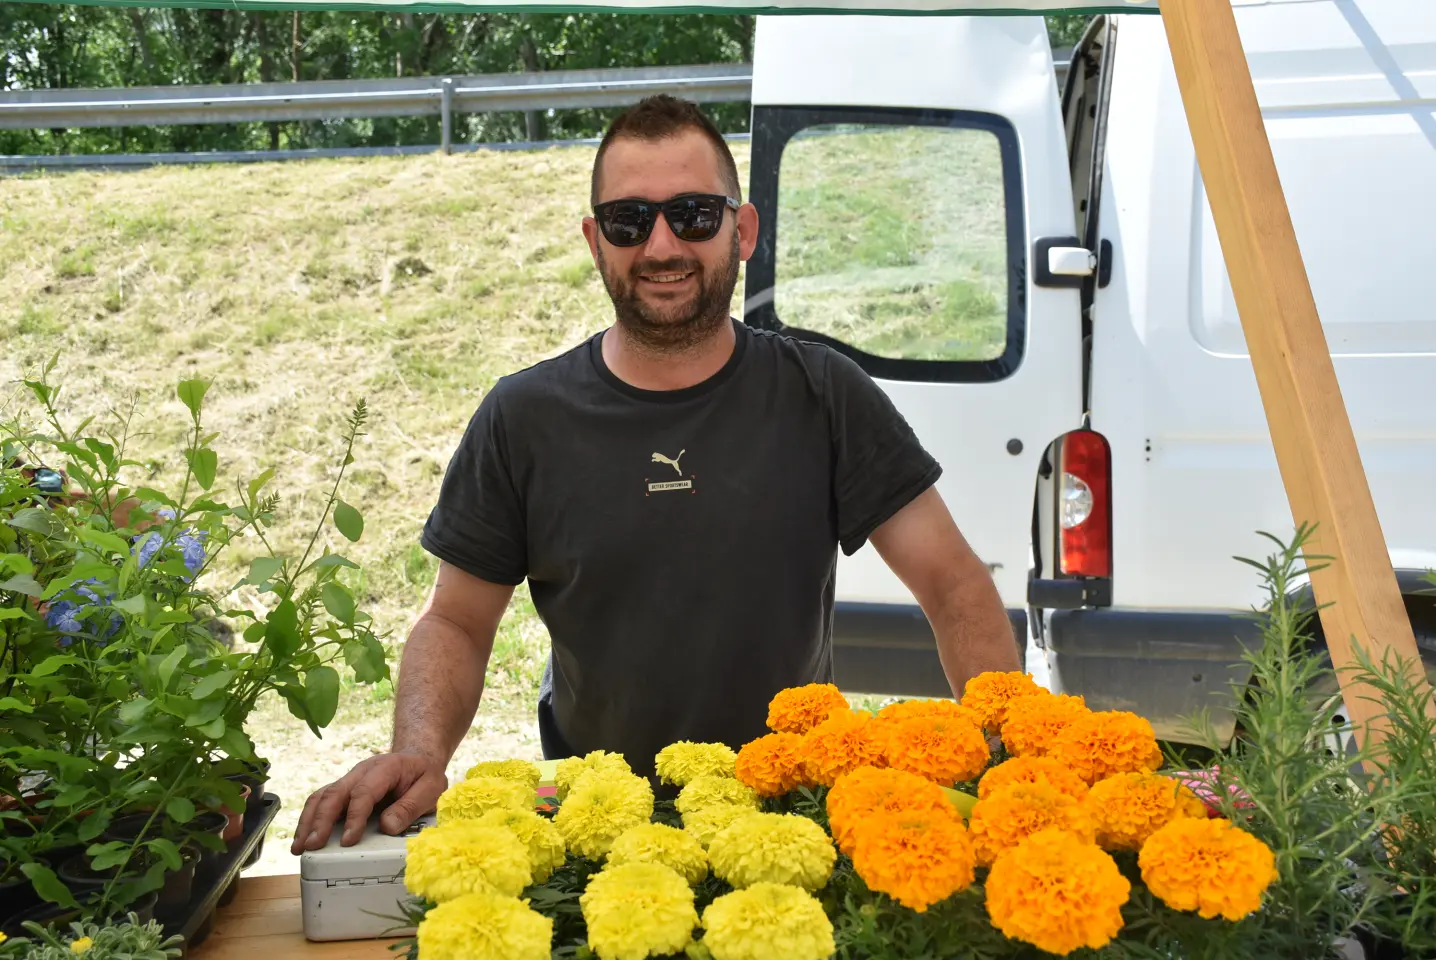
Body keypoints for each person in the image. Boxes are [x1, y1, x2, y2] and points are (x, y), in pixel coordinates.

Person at [291, 95, 1020, 854]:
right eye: (629, 221)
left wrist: (1005, 747)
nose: (662, 245)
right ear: (595, 241)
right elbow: (455, 621)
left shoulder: (823, 393)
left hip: (792, 817)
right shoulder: (523, 417)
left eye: (695, 215)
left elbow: (953, 583)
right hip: (594, 823)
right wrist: (417, 751)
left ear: (743, 231)